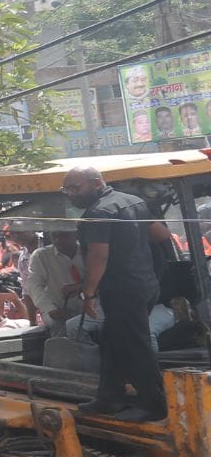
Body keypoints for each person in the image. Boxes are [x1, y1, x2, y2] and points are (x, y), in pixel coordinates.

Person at [65, 165, 166, 421]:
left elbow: (99, 255)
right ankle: (110, 397)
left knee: (135, 344)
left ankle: (153, 404)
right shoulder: (133, 202)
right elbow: (161, 234)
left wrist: (88, 294)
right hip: (145, 284)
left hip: (124, 289)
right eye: (66, 189)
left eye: (75, 188)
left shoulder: (98, 212)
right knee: (111, 340)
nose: (70, 194)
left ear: (97, 183)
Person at [23, 229, 81, 336]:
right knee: (60, 327)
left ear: (75, 234)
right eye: (54, 235)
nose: (58, 240)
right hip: (57, 309)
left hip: (88, 309)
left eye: (64, 235)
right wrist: (50, 309)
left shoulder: (89, 252)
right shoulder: (41, 255)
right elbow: (34, 286)